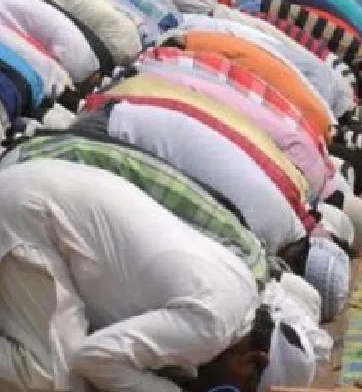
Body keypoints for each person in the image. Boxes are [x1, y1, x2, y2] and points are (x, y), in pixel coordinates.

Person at [0, 159, 271, 392]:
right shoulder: (214, 326)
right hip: (32, 217)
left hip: (38, 193)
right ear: (252, 362)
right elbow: (93, 358)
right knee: (51, 378)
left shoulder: (243, 287)